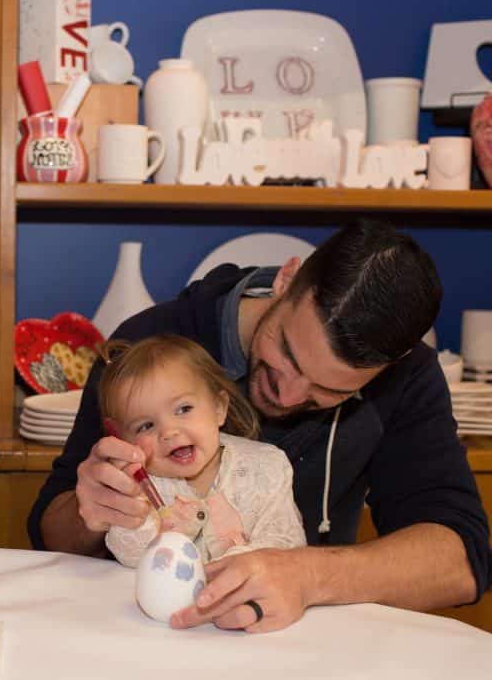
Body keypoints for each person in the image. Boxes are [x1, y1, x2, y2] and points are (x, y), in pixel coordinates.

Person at [29, 220, 491, 633]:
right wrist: (87, 512)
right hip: (145, 635)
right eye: (286, 353)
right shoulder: (150, 344)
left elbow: (461, 560)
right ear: (286, 279)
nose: (287, 396)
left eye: (329, 391)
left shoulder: (408, 378)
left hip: (300, 642)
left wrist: (308, 576)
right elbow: (50, 532)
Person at [98, 335, 306, 568]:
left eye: (183, 409)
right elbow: (131, 555)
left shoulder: (266, 467)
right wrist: (134, 507)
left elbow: (287, 544)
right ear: (124, 440)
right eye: (146, 426)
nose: (169, 432)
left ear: (219, 408)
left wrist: (236, 563)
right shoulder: (140, 487)